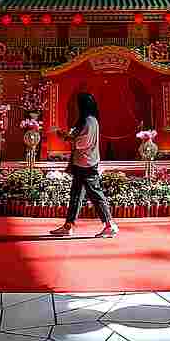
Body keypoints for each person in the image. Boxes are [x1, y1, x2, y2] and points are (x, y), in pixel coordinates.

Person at [49, 92, 118, 238]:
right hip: (81, 162)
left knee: (95, 194)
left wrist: (67, 138)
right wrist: (69, 136)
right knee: (76, 195)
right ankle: (68, 225)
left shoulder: (89, 121)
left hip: (86, 163)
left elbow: (82, 142)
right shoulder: (88, 121)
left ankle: (109, 224)